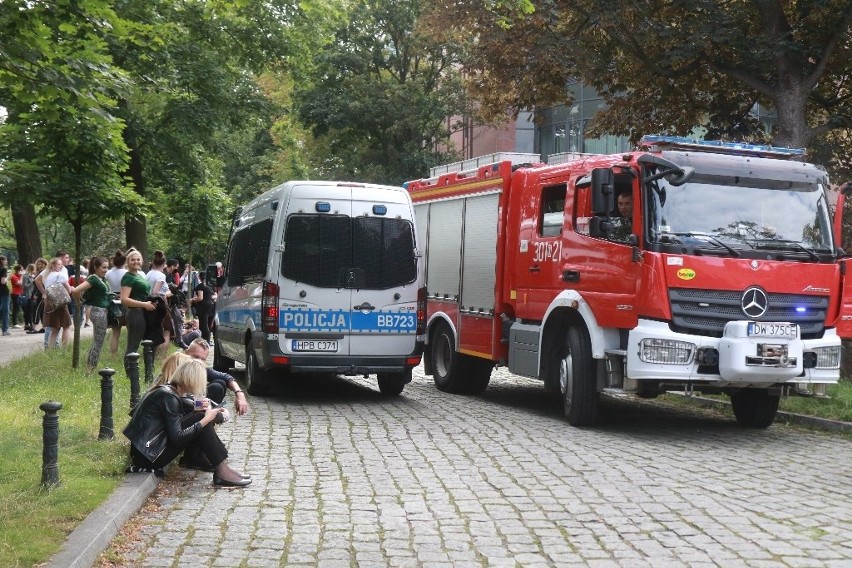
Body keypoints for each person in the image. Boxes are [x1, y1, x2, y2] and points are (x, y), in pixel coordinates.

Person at [122, 358, 251, 486]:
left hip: (148, 449)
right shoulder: (168, 396)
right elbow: (177, 437)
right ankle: (222, 471)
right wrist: (206, 419)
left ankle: (222, 469)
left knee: (199, 416)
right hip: (149, 456)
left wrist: (202, 409)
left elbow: (184, 405)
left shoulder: (168, 390)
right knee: (200, 418)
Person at [185, 337, 249, 416]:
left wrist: (239, 394)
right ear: (186, 352)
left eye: (202, 360)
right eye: (196, 357)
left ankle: (209, 418)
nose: (198, 362)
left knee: (220, 384)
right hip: (181, 409)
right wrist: (199, 404)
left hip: (195, 405)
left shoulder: (200, 369)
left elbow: (226, 377)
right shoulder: (177, 368)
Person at [73, 256, 110, 372]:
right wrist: (78, 303)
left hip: (103, 310)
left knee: (98, 340)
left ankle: (90, 366)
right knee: (98, 341)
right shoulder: (93, 279)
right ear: (95, 267)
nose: (106, 270)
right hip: (97, 311)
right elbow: (75, 290)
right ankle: (90, 368)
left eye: (107, 267)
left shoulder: (101, 279)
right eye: (103, 267)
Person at [120, 249, 158, 355]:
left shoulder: (139, 275)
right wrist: (144, 304)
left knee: (149, 343)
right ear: (128, 262)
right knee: (133, 346)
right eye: (133, 260)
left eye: (138, 259)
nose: (136, 262)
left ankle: (148, 370)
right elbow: (124, 299)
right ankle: (130, 370)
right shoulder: (128, 277)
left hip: (143, 313)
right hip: (135, 314)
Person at [36, 257, 74, 349]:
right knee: (66, 325)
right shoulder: (60, 275)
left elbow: (37, 280)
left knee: (54, 328)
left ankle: (50, 349)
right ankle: (66, 348)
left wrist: (43, 292)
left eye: (61, 264)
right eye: (59, 264)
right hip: (60, 303)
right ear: (53, 265)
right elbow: (68, 290)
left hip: (50, 303)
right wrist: (72, 288)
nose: (61, 266)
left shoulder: (47, 275)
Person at [146, 250, 173, 358]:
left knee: (155, 330)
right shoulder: (161, 276)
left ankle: (153, 355)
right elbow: (155, 292)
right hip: (160, 306)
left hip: (149, 304)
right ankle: (162, 357)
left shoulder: (149, 274)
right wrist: (165, 294)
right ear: (164, 264)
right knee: (167, 331)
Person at [105, 249, 128, 354]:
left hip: (112, 302)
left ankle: (113, 354)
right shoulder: (127, 273)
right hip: (125, 301)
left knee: (115, 332)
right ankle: (129, 353)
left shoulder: (108, 273)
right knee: (131, 331)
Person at [191, 271, 215, 344]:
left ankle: (205, 341)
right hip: (210, 305)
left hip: (203, 306)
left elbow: (200, 298)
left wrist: (191, 300)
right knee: (208, 324)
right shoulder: (209, 286)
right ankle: (207, 340)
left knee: (203, 324)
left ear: (199, 277)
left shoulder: (200, 286)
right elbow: (213, 296)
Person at [27, 258, 48, 334]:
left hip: (41, 294)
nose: (40, 266)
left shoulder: (44, 273)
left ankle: (35, 327)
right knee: (41, 311)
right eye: (38, 264)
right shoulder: (38, 272)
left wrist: (37, 294)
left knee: (37, 309)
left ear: (45, 265)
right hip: (36, 293)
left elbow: (42, 285)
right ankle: (44, 327)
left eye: (41, 264)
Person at [21, 263, 36, 332]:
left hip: (31, 295)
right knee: (28, 311)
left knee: (29, 310)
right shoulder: (26, 276)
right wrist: (32, 282)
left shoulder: (31, 276)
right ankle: (29, 324)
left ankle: (28, 324)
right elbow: (24, 286)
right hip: (27, 295)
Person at [10, 264, 23, 328]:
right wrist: (22, 276)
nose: (22, 271)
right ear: (18, 270)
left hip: (19, 293)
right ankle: (14, 323)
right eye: (21, 270)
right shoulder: (14, 276)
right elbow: (19, 283)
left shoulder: (19, 276)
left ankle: (16, 322)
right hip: (15, 293)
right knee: (16, 308)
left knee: (18, 308)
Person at [0, 256, 10, 336]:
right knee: (5, 311)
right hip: (3, 292)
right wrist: (8, 278)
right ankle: (5, 330)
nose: (6, 261)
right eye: (5, 260)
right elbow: (3, 281)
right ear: (2, 261)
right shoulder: (3, 269)